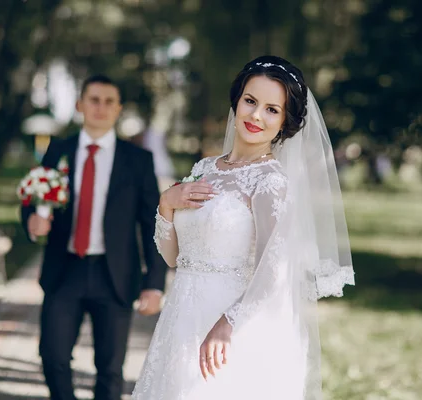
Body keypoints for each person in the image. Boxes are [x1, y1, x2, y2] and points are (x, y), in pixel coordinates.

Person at [131, 56, 355, 400]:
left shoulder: (270, 182)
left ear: (285, 122)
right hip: (180, 317)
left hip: (229, 321)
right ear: (237, 100)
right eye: (251, 101)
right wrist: (166, 203)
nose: (256, 116)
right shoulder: (205, 168)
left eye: (272, 109)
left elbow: (274, 269)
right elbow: (174, 257)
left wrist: (228, 324)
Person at [21, 74, 167, 400]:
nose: (100, 108)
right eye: (94, 100)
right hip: (64, 269)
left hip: (114, 275)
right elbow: (32, 199)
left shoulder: (138, 160)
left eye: (108, 101)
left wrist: (154, 283)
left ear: (118, 109)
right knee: (53, 357)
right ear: (80, 105)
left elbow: (151, 223)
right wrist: (31, 221)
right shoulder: (57, 152)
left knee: (110, 369)